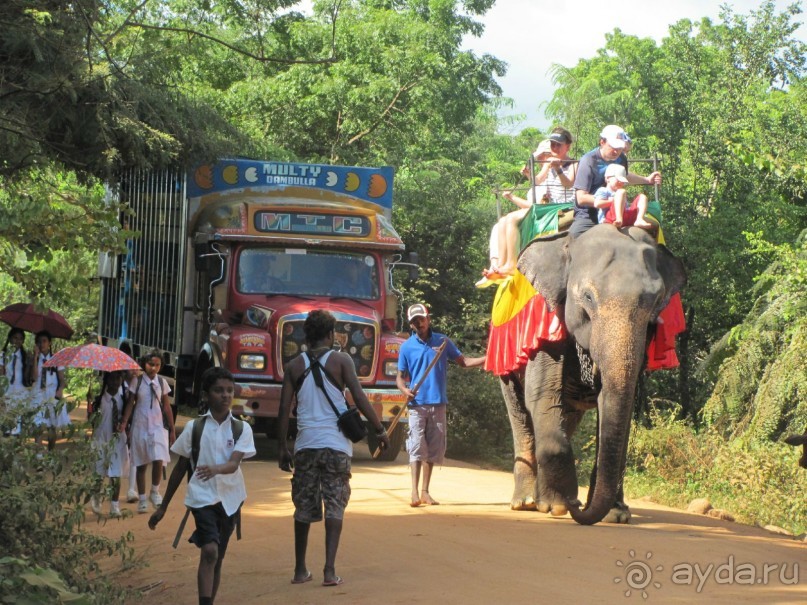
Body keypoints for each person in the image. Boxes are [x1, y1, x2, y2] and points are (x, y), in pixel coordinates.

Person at [277, 309, 390, 587]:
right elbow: (359, 398)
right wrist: (379, 430)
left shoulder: (293, 366)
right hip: (336, 446)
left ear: (306, 336)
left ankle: (300, 570)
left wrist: (282, 447)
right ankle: (329, 571)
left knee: (303, 507)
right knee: (335, 504)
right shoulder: (341, 360)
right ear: (330, 334)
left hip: (305, 446)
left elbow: (283, 410)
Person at [149, 367, 256, 605]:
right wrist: (163, 507)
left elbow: (234, 464)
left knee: (217, 558)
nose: (225, 395)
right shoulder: (194, 428)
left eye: (229, 390)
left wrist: (216, 469)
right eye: (219, 390)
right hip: (202, 498)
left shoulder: (242, 429)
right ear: (206, 395)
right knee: (209, 551)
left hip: (230, 500)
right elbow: (179, 469)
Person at [397, 304, 485, 507]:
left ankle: (425, 492)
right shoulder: (406, 347)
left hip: (438, 403)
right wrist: (404, 390)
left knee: (433, 449)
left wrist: (486, 359)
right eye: (415, 321)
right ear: (411, 325)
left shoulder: (443, 342)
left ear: (428, 319)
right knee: (417, 447)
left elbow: (463, 362)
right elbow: (400, 378)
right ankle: (414, 492)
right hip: (417, 405)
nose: (419, 323)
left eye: (422, 319)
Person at [482, 128, 577, 280]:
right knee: (505, 220)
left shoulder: (573, 164)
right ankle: (500, 265)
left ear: (568, 146)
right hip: (548, 206)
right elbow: (537, 181)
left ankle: (511, 265)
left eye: (558, 145)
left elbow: (568, 184)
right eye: (552, 144)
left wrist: (558, 169)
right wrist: (529, 174)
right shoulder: (548, 163)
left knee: (512, 219)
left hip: (563, 206)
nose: (555, 148)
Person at [571, 124, 662, 238]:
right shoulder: (588, 161)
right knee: (575, 235)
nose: (617, 151)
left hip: (617, 210)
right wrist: (613, 201)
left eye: (619, 147)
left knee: (654, 227)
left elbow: (625, 176)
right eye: (613, 146)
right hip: (589, 213)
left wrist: (647, 180)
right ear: (602, 142)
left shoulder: (621, 158)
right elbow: (581, 198)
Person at [118, 349, 176, 513]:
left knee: (158, 458)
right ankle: (142, 499)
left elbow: (166, 406)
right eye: (151, 364)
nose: (153, 368)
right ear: (144, 364)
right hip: (141, 425)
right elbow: (130, 404)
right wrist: (124, 422)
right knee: (141, 463)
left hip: (157, 426)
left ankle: (154, 491)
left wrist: (172, 429)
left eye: (157, 365)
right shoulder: (137, 382)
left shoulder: (162, 383)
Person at [90, 371, 129, 517]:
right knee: (99, 472)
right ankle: (96, 498)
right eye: (112, 379)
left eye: (118, 378)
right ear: (106, 380)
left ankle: (114, 505)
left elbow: (127, 416)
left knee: (115, 473)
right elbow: (92, 419)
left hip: (117, 439)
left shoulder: (124, 399)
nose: (115, 382)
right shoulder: (100, 399)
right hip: (101, 439)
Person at [31, 330, 68, 450]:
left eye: (44, 341)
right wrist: (35, 357)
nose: (42, 344)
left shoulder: (57, 359)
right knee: (38, 425)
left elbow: (62, 380)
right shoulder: (34, 359)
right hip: (38, 395)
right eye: (39, 342)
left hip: (52, 395)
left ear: (49, 343)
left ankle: (50, 452)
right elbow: (34, 377)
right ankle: (38, 455)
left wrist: (60, 390)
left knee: (52, 427)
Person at [594, 164, 652, 229]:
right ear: (608, 178)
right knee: (621, 192)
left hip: (625, 216)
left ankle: (639, 219)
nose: (621, 182)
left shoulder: (621, 193)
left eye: (622, 181)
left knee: (642, 196)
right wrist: (613, 201)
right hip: (610, 217)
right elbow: (597, 204)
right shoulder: (603, 190)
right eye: (618, 180)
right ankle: (619, 219)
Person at [1, 328, 31, 435]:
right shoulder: (3, 355)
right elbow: (1, 375)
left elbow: (27, 377)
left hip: (20, 391)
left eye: (20, 339)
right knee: (6, 420)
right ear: (9, 339)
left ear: (23, 341)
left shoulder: (24, 356)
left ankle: (16, 438)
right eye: (15, 338)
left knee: (18, 422)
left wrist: (29, 363)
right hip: (7, 391)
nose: (17, 341)